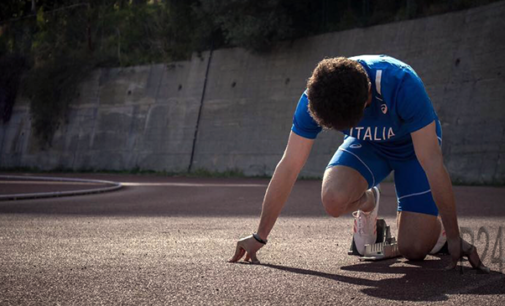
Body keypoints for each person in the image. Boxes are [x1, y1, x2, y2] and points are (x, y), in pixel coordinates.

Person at [229, 55, 487, 271]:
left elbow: (432, 164)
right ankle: (369, 201)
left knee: (414, 250)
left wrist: (454, 235)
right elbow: (289, 165)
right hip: (368, 146)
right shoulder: (315, 96)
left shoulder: (403, 84)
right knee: (333, 200)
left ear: (366, 101)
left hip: (412, 148)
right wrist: (259, 236)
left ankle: (436, 233)